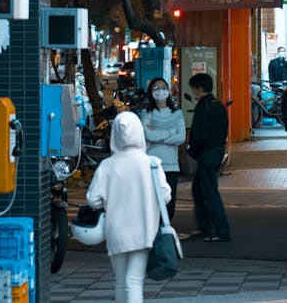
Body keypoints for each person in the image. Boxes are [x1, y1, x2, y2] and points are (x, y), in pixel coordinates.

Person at [87, 112, 170, 303]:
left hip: (116, 231)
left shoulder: (107, 166)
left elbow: (93, 200)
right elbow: (165, 196)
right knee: (134, 280)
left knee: (120, 280)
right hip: (143, 231)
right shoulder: (152, 164)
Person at [186, 73, 231, 242]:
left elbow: (199, 133)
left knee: (209, 192)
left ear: (198, 88)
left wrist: (193, 151)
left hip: (206, 154)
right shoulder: (218, 105)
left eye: (194, 88)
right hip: (217, 151)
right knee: (199, 189)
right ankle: (204, 227)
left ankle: (221, 231)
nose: (193, 91)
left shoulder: (203, 106)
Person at [141, 77, 186, 221]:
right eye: (156, 88)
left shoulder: (177, 113)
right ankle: (154, 233)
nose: (160, 91)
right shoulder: (146, 112)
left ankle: (166, 231)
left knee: (169, 204)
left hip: (172, 165)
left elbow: (181, 138)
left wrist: (157, 134)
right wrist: (170, 133)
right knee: (152, 203)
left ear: (169, 90)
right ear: (151, 92)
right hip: (152, 164)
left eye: (163, 87)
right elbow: (147, 135)